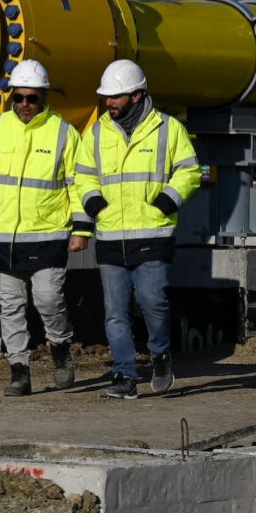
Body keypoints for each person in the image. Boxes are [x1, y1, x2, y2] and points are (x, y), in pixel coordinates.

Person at [0, 60, 90, 396]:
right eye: (20, 98)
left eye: (32, 98)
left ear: (43, 97)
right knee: (10, 306)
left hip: (49, 234)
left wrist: (81, 229)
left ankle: (59, 347)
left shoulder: (63, 133)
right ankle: (19, 371)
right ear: (12, 97)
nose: (25, 104)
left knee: (47, 299)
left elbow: (80, 185)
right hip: (2, 237)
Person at [75, 59, 202, 400]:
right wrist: (93, 205)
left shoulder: (167, 128)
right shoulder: (98, 132)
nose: (109, 103)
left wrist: (166, 202)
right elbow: (82, 175)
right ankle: (125, 377)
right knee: (115, 313)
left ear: (137, 95)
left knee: (153, 302)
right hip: (110, 235)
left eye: (116, 97)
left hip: (153, 233)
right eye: (107, 97)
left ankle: (160, 355)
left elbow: (190, 171)